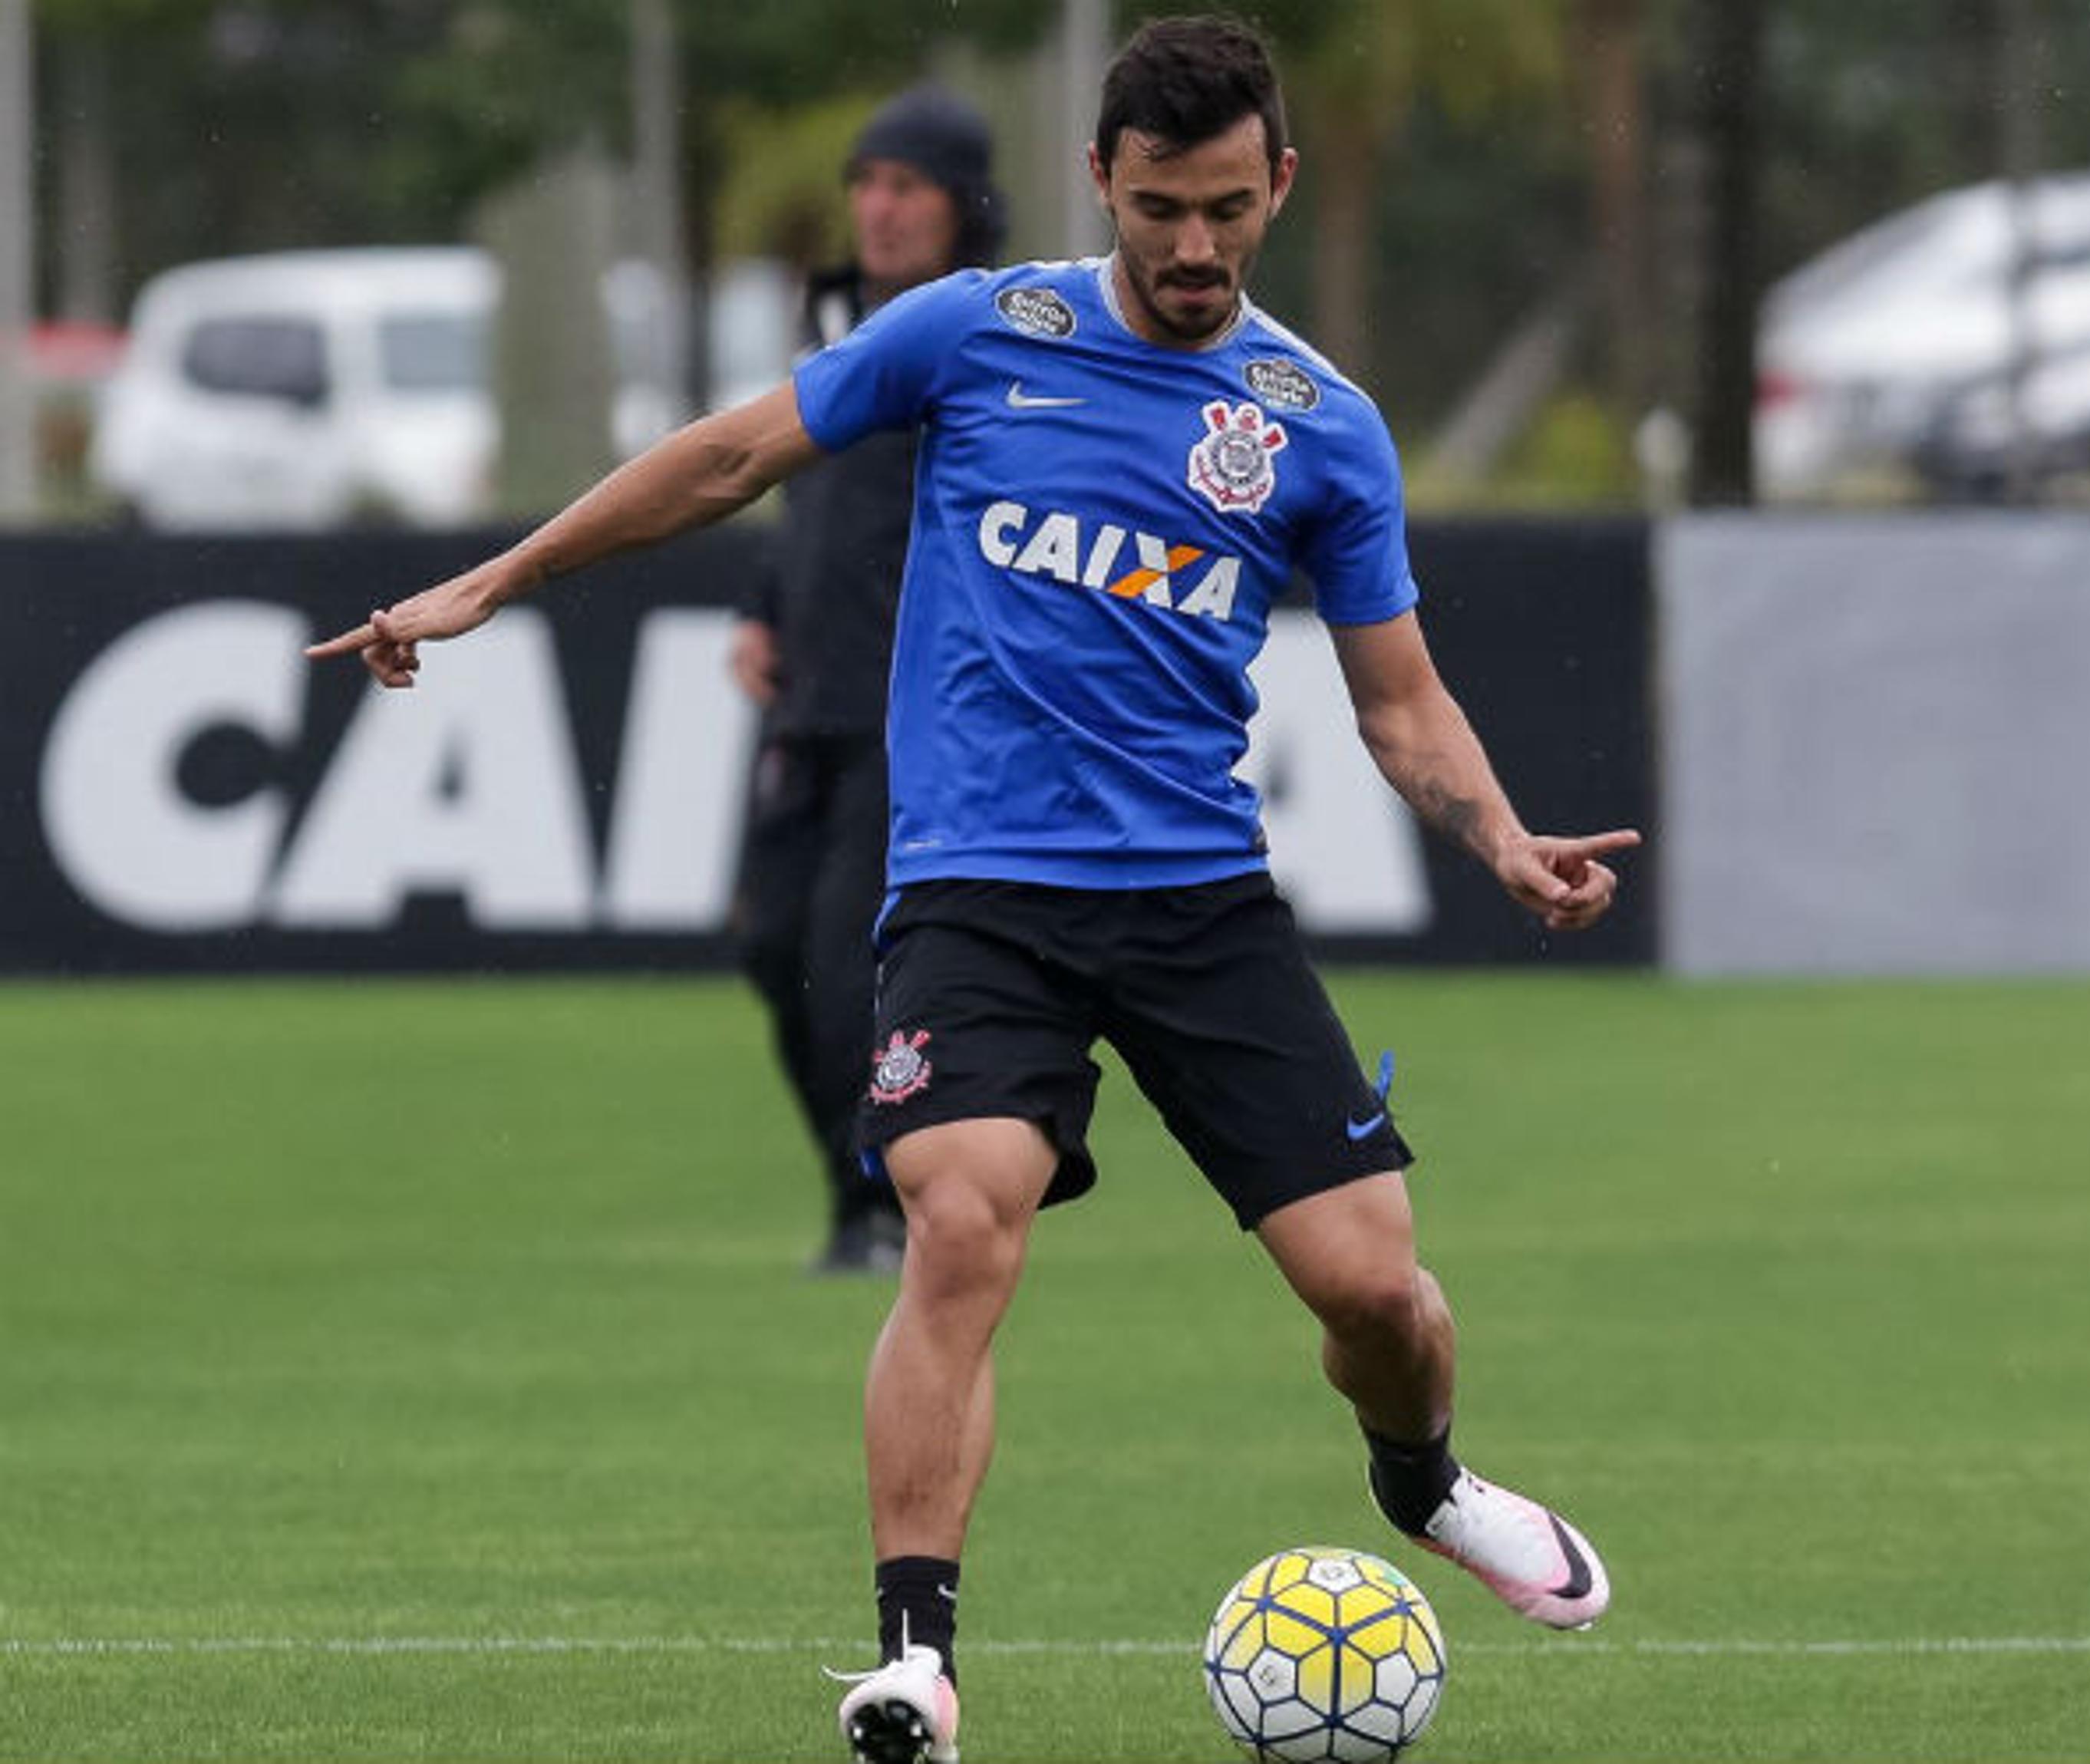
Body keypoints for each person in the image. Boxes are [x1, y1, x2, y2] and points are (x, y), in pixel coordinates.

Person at [310, 18, 1634, 1764]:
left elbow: (1395, 700)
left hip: (1196, 902)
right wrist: (500, 577)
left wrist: (1501, 837)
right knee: (957, 1217)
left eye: (1229, 208)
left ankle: (1425, 1476)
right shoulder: (973, 331)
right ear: (1101, 178)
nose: (1192, 246)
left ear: (1279, 187)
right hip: (980, 892)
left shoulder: (1322, 427)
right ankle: (915, 1663)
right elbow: (725, 457)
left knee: (1378, 1294)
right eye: (1160, 205)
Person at [731, 87, 1007, 1276]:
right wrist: (765, 611)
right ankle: (863, 1197)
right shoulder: (834, 324)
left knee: (850, 971)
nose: (880, 210)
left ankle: (886, 1206)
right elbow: (810, 502)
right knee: (769, 950)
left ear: (963, 210)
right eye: (868, 184)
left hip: (915, 717)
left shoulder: (988, 342)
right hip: (811, 702)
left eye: (909, 187)